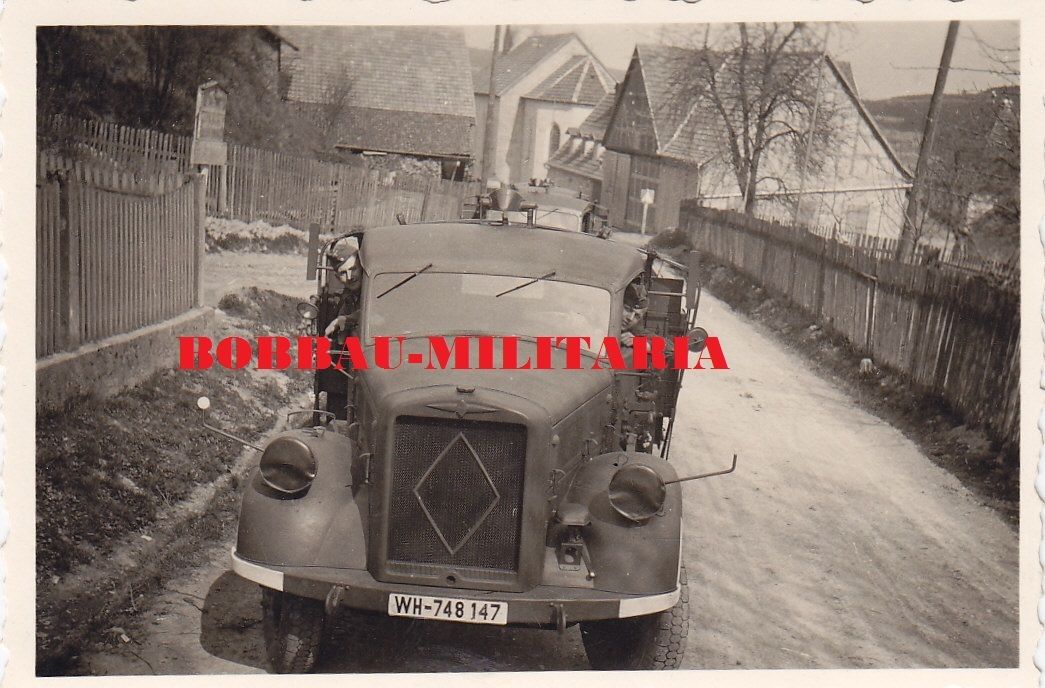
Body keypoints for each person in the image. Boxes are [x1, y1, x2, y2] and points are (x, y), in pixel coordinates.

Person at [324, 245, 362, 340]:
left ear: (361, 267)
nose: (350, 277)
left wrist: (345, 319)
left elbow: (377, 313)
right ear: (337, 277)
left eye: (353, 269)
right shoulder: (347, 297)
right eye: (343, 273)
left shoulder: (374, 288)